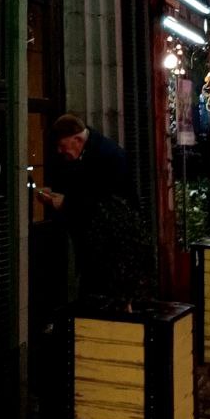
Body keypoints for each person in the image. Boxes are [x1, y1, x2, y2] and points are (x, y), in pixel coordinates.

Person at [35, 113, 137, 289]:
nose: (59, 151)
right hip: (90, 243)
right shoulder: (81, 154)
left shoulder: (110, 156)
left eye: (62, 145)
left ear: (77, 140)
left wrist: (66, 203)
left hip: (110, 247)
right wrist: (54, 193)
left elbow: (109, 203)